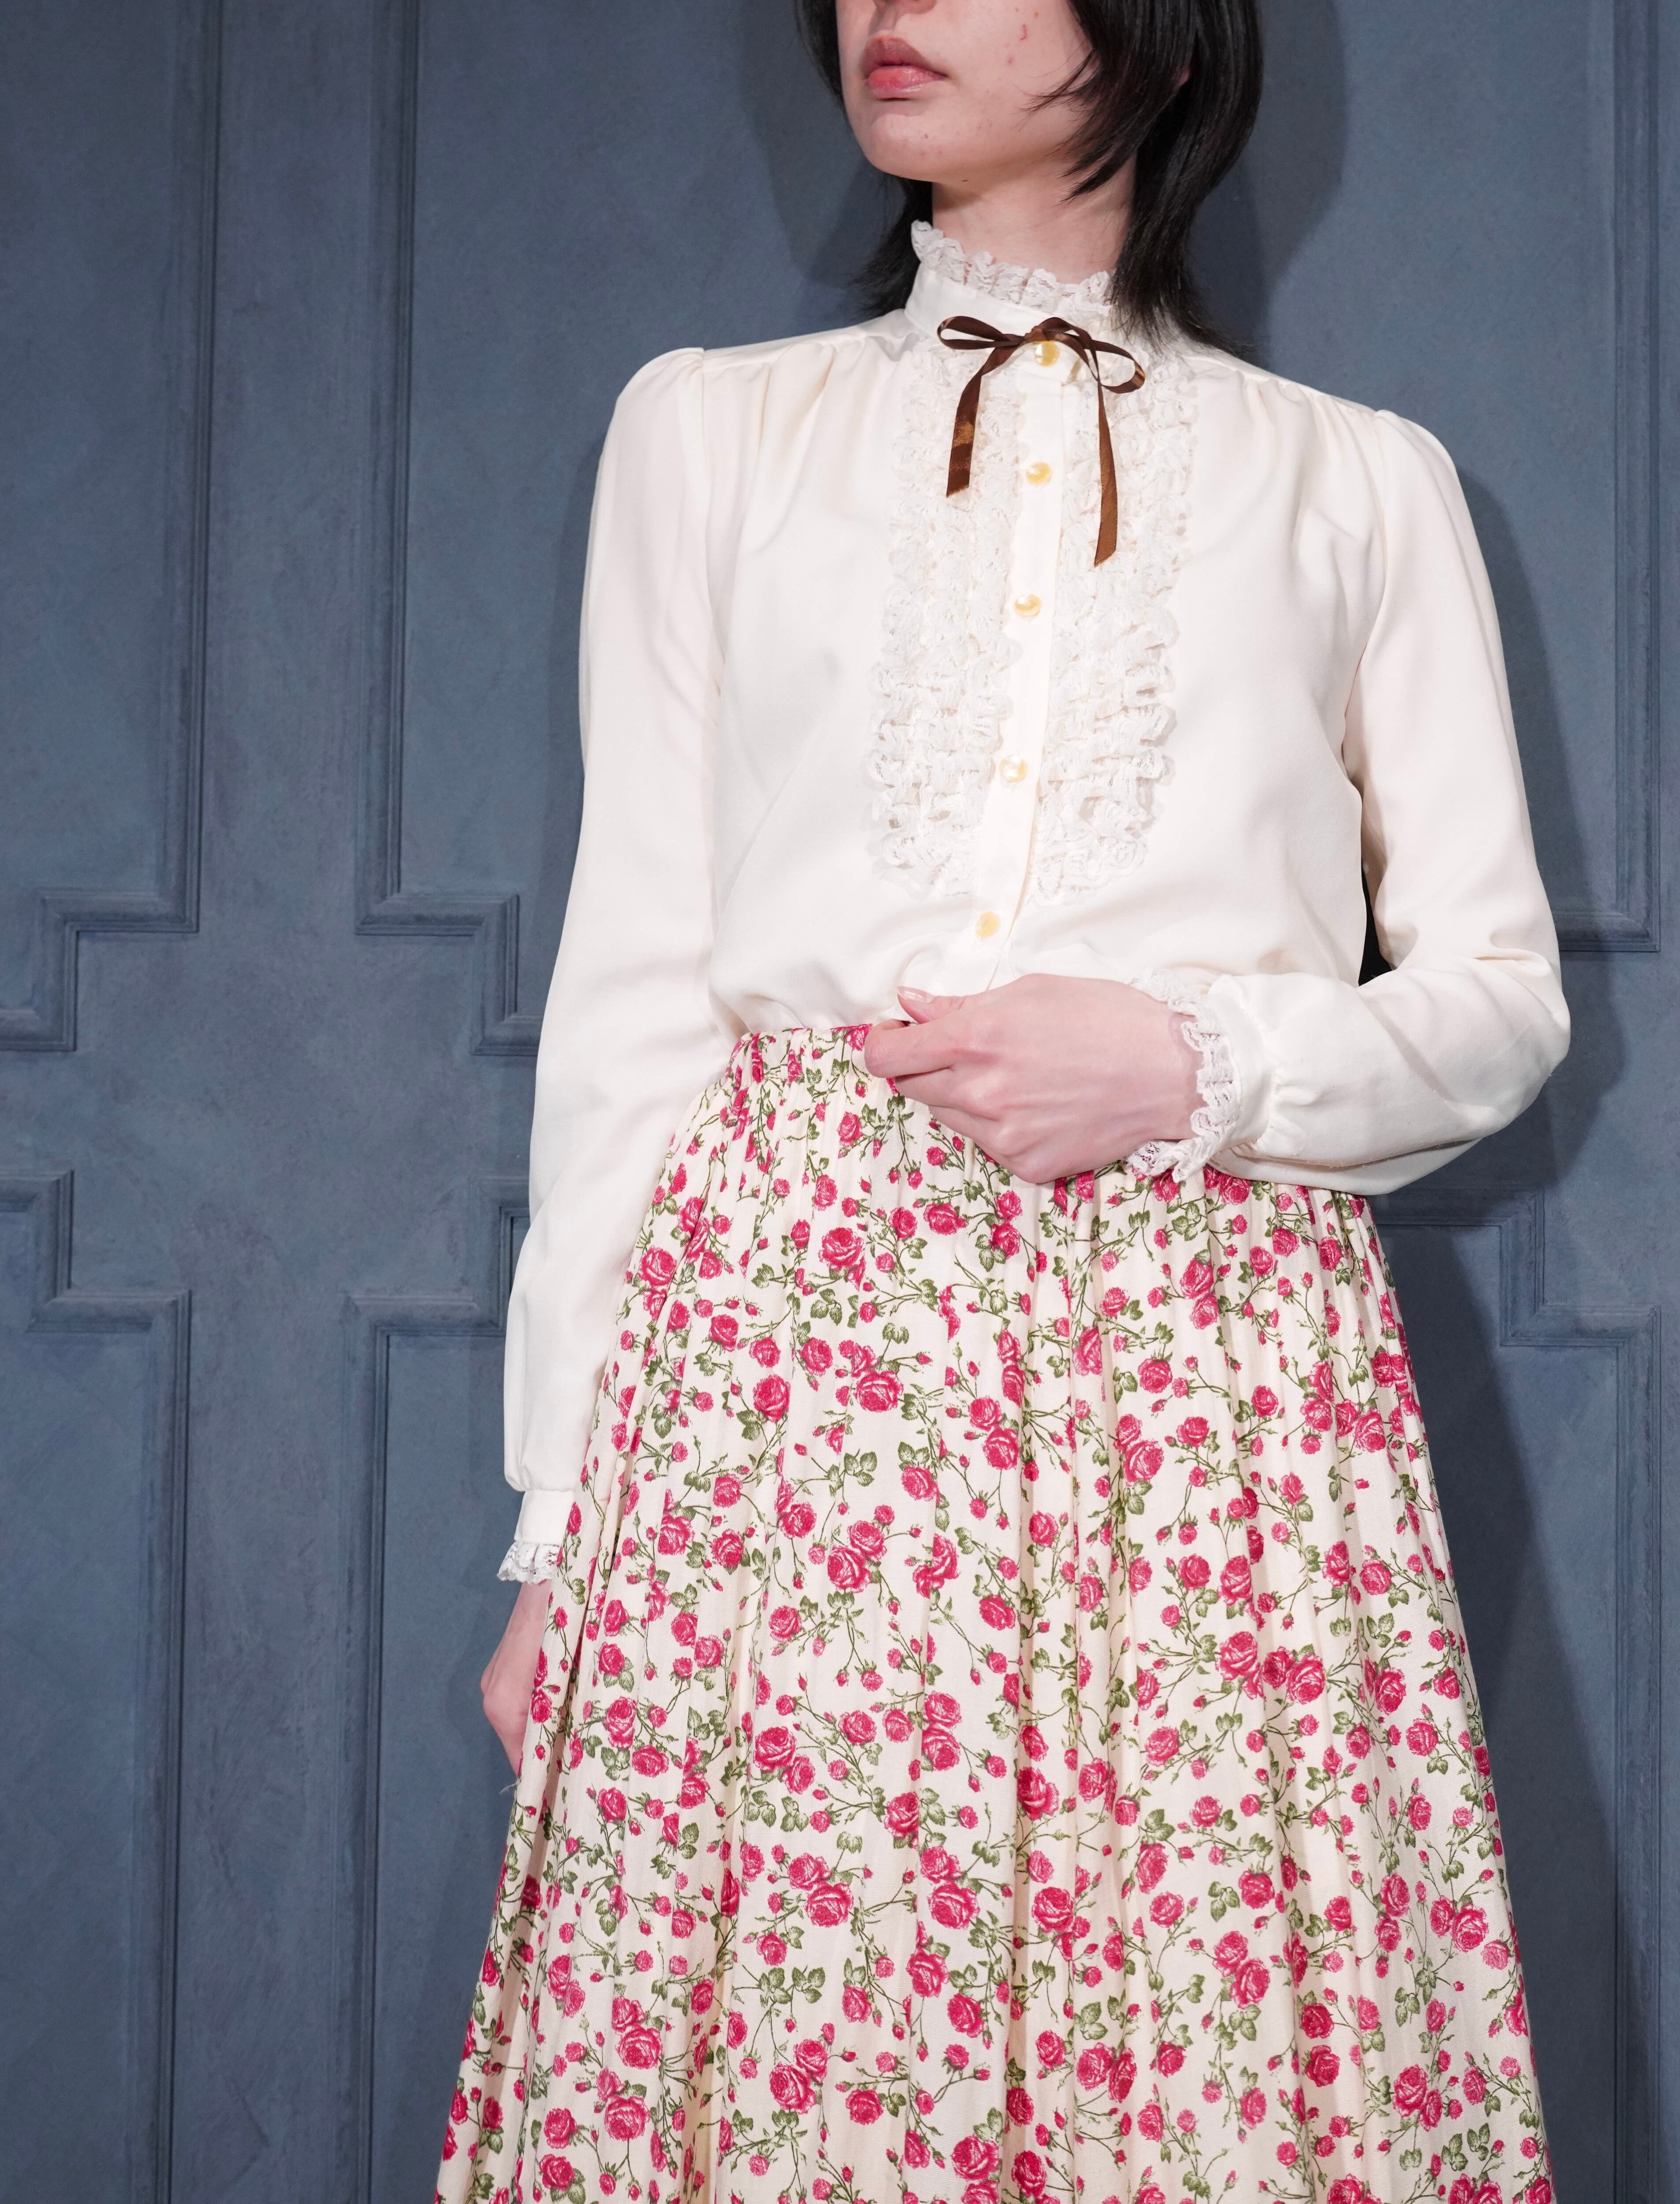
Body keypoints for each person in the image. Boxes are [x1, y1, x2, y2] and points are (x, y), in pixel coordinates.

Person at [442, 1, 1570, 2196]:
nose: (890, 9)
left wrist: (1191, 1059)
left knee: (1202, 2066)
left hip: (1207, 1383)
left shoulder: (1357, 480)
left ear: (1165, 33)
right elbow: (633, 1002)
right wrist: (562, 1530)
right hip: (795, 1378)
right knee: (799, 2063)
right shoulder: (711, 432)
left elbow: (1497, 1000)